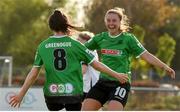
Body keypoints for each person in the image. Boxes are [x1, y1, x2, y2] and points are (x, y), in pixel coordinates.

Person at [9, 9, 129, 111]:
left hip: (52, 94)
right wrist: (116, 74)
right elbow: (97, 65)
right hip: (73, 95)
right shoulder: (76, 45)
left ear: (51, 26)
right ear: (66, 25)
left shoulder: (43, 46)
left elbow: (33, 74)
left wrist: (21, 94)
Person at [81, 7, 175, 111]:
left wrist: (164, 66)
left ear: (120, 21)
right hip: (102, 82)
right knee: (85, 109)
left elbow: (146, 55)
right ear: (105, 21)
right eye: (108, 20)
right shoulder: (100, 38)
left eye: (114, 20)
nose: (111, 23)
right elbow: (80, 50)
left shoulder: (128, 39)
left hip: (120, 83)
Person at [77, 31, 100, 100]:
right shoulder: (92, 50)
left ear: (86, 41)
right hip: (92, 84)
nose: (77, 42)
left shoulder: (86, 51)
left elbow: (83, 70)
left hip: (89, 85)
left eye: (79, 40)